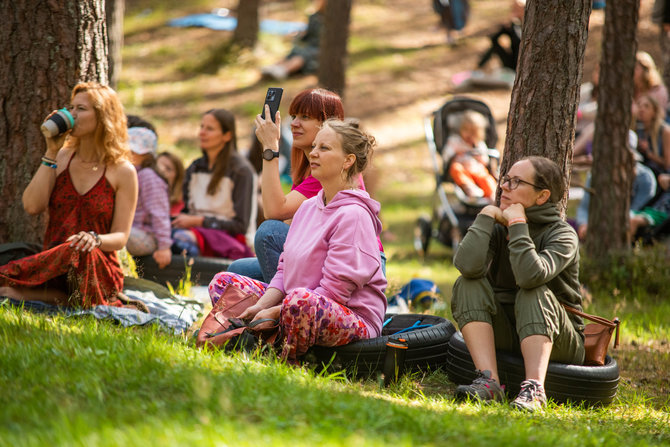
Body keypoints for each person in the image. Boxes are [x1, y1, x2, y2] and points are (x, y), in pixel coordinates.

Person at [208, 119, 387, 363]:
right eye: (314, 146)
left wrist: (274, 312)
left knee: (299, 301)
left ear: (348, 161)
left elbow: (334, 293)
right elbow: (283, 269)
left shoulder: (354, 215)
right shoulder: (307, 208)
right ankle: (255, 341)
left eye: (324, 148)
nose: (313, 153)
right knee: (224, 283)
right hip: (295, 306)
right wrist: (261, 306)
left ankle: (282, 359)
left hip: (350, 317)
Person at [451, 156, 584, 412]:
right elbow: (467, 266)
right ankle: (489, 383)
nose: (504, 187)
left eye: (516, 182)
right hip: (509, 328)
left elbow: (529, 276)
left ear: (542, 196)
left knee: (532, 290)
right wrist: (485, 215)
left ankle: (535, 390)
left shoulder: (563, 234)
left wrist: (518, 224)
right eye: (505, 179)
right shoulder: (497, 224)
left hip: (559, 339)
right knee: (467, 283)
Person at [0, 82, 138, 308]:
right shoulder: (62, 157)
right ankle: (67, 300)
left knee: (79, 248)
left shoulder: (123, 171)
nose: (72, 115)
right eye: (71, 108)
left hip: (97, 267)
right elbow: (32, 206)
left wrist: (94, 238)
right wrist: (51, 151)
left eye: (81, 109)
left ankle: (95, 298)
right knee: (6, 291)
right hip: (54, 266)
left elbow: (121, 237)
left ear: (103, 116)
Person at [227, 88, 386, 283]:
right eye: (293, 116)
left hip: (356, 261)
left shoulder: (330, 168)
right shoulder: (308, 165)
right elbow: (291, 222)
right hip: (321, 250)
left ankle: (288, 309)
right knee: (238, 270)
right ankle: (272, 305)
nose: (294, 123)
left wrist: (270, 148)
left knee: (268, 232)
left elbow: (274, 212)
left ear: (327, 123)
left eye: (305, 117)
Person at [171, 109, 257, 260]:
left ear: (227, 135)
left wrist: (200, 221)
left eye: (209, 129)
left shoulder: (241, 171)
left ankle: (196, 277)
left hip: (231, 239)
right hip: (195, 230)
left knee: (179, 239)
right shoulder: (195, 167)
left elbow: (240, 226)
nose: (202, 133)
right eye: (201, 127)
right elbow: (187, 210)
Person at [575, 131, 658, 241]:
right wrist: (583, 224)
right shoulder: (596, 176)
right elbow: (584, 207)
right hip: (598, 225)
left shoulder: (646, 178)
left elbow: (637, 211)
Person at [125, 126, 172, 269]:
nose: (128, 154)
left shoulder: (148, 176)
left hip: (145, 236)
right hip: (132, 230)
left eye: (134, 152)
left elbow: (159, 213)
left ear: (147, 156)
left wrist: (164, 246)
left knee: (114, 235)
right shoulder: (130, 173)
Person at [260, 0, 326, 80]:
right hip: (310, 45)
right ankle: (274, 67)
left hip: (320, 49)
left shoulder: (332, 20)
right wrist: (297, 35)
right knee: (296, 51)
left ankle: (284, 70)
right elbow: (307, 34)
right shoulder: (314, 17)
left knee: (303, 56)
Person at [442, 110, 497, 201]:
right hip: (462, 169)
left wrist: (477, 154)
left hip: (477, 169)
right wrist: (456, 153)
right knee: (456, 169)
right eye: (466, 130)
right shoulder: (455, 141)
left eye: (473, 132)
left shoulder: (479, 144)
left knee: (486, 178)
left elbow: (485, 161)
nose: (468, 134)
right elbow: (446, 156)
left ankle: (493, 195)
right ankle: (470, 189)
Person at [476, 0, 524, 71]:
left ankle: (478, 66)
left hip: (521, 63)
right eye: (514, 9)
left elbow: (520, 41)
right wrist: (506, 27)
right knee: (495, 47)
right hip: (514, 63)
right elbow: (493, 39)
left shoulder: (523, 26)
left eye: (517, 9)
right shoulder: (513, 26)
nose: (515, 11)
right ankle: (478, 66)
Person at [634, 94, 670, 177]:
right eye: (639, 105)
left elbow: (667, 164)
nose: (641, 109)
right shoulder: (636, 129)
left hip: (659, 175)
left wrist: (648, 153)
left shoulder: (664, 131)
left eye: (646, 106)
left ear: (654, 111)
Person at [630, 173, 670, 240]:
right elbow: (663, 178)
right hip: (650, 209)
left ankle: (624, 247)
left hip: (662, 215)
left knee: (634, 221)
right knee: (627, 216)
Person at [632, 51, 668, 120]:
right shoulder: (630, 91)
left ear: (646, 70)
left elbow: (661, 115)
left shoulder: (658, 90)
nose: (632, 72)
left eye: (636, 69)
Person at [156, 151, 185, 217]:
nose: (161, 170)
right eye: (157, 166)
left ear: (177, 176)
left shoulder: (183, 207)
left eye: (168, 169)